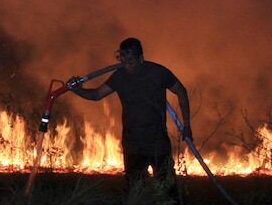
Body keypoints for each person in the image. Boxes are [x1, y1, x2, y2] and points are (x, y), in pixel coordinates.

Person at [68, 37, 192, 188]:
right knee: (135, 190)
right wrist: (76, 89)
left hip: (157, 143)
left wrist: (186, 125)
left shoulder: (158, 73)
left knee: (167, 189)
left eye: (130, 60)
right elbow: (96, 95)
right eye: (123, 60)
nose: (126, 65)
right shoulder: (119, 77)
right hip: (132, 146)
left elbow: (181, 91)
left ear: (141, 58)